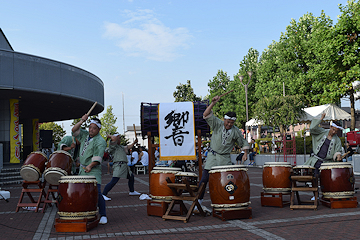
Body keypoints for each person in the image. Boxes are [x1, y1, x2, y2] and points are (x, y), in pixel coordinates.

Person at [197, 95, 250, 207]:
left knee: (226, 180)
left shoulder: (235, 131)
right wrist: (213, 103)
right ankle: (198, 202)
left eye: (231, 122)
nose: (229, 124)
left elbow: (243, 142)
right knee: (204, 179)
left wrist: (245, 153)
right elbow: (206, 114)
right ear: (224, 119)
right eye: (227, 121)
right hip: (212, 155)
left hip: (225, 158)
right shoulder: (217, 124)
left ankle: (225, 201)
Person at [72, 115, 107, 224]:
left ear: (99, 129)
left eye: (94, 128)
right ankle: (84, 212)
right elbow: (74, 130)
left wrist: (90, 166)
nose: (91, 129)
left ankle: (103, 214)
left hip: (93, 169)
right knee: (81, 191)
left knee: (96, 192)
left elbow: (98, 157)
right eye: (90, 127)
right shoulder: (85, 135)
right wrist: (82, 120)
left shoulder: (100, 141)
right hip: (83, 168)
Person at [102, 134, 141, 201]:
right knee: (114, 180)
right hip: (119, 165)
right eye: (119, 138)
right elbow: (113, 138)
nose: (120, 139)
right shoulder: (112, 146)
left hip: (124, 165)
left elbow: (129, 147)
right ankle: (103, 194)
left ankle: (132, 191)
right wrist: (110, 136)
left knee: (131, 177)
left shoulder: (121, 147)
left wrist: (134, 142)